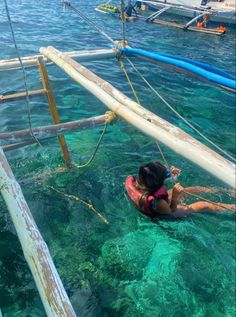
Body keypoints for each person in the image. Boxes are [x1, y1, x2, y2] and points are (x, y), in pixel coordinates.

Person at [125, 161, 235, 218]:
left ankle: (217, 190)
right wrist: (175, 196)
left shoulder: (136, 182)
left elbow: (153, 177)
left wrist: (170, 173)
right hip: (166, 212)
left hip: (157, 200)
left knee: (189, 189)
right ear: (157, 183)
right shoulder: (158, 202)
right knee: (204, 205)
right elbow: (171, 210)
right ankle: (232, 207)